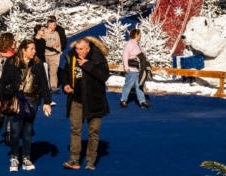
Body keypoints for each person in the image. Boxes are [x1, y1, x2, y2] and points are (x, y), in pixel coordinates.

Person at [0, 39, 53, 172]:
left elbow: (44, 83)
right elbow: (3, 81)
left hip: (32, 100)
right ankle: (14, 157)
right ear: (23, 50)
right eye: (31, 49)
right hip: (15, 100)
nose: (34, 51)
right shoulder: (11, 62)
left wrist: (47, 102)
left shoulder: (38, 63)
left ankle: (26, 157)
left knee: (27, 130)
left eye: (34, 49)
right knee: (15, 131)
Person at [61, 37, 111, 171]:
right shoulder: (72, 55)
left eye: (81, 49)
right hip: (76, 99)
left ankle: (90, 160)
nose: (78, 52)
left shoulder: (97, 57)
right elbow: (65, 73)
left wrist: (87, 65)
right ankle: (74, 158)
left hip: (94, 101)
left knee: (93, 132)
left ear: (88, 49)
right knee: (75, 129)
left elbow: (104, 76)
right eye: (76, 48)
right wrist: (66, 84)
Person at [120, 30, 151, 109]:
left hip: (139, 69)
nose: (141, 36)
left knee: (139, 85)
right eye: (139, 34)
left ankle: (142, 102)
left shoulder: (138, 44)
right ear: (135, 35)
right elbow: (125, 55)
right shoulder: (129, 44)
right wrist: (126, 67)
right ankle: (123, 100)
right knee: (128, 85)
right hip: (131, 69)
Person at [43, 19, 63, 93]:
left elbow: (58, 43)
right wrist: (52, 45)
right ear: (50, 25)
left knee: (53, 71)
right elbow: (43, 44)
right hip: (45, 55)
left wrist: (58, 52)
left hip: (54, 55)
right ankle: (45, 87)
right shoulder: (44, 33)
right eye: (54, 25)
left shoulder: (56, 33)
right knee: (45, 72)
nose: (55, 26)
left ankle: (53, 86)